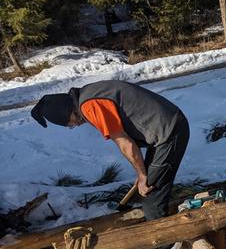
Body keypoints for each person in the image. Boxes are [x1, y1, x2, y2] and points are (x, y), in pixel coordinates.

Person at [31, 80, 189, 222]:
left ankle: (164, 246)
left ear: (68, 113)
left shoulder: (90, 106)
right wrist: (142, 171)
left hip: (169, 132)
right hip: (165, 128)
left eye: (70, 124)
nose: (75, 125)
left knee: (151, 198)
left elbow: (125, 143)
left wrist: (142, 175)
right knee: (150, 186)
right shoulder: (88, 94)